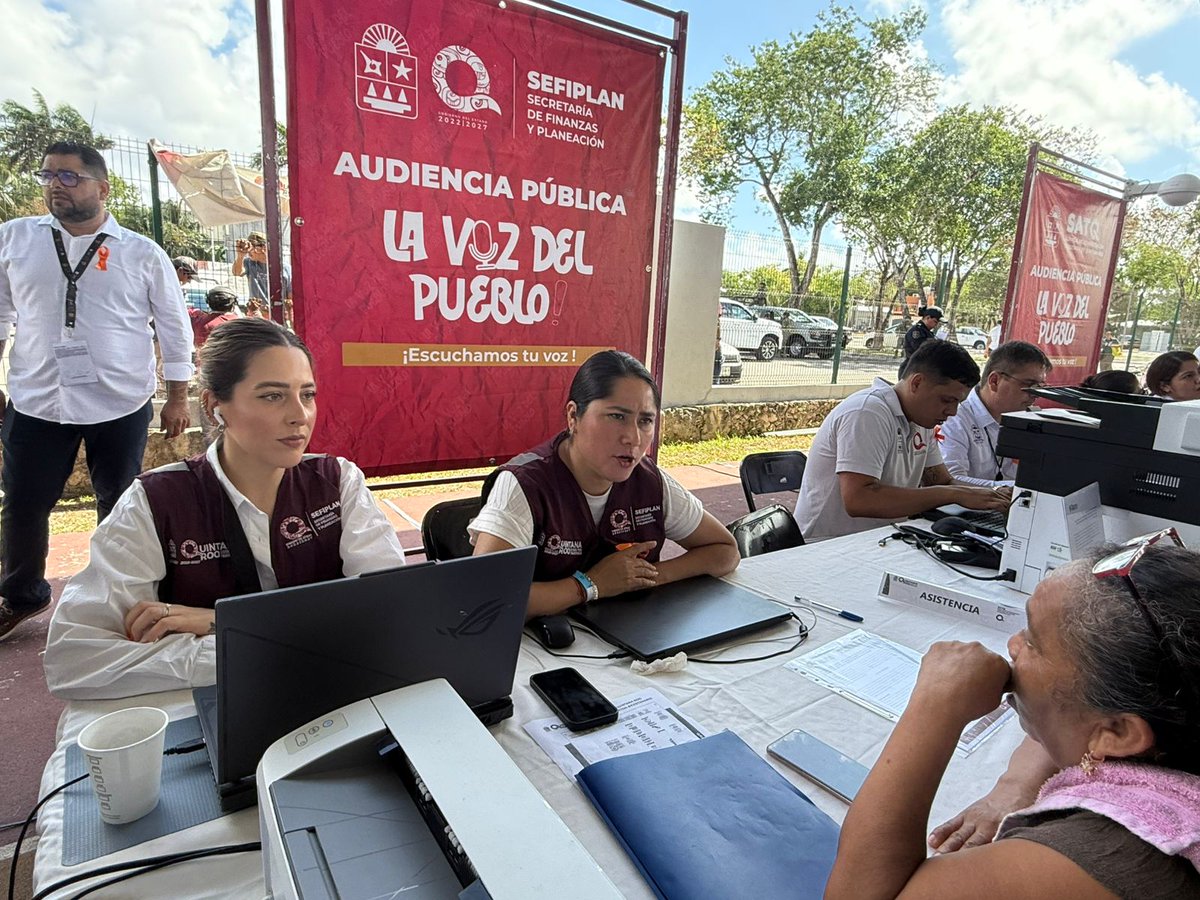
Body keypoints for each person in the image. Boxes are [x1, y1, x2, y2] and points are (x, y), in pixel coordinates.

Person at [43, 318, 405, 699]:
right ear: (215, 405)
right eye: (272, 396)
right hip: (212, 713)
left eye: (308, 394)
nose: (300, 415)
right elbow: (75, 657)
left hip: (339, 698)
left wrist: (224, 625)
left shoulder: (337, 481)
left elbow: (392, 615)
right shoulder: (155, 500)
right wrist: (285, 644)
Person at [828, 535, 1200, 898]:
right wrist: (1015, 785)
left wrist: (934, 706)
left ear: (1117, 732)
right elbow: (1079, 720)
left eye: (1033, 642)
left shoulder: (1113, 856)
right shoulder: (1170, 720)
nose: (1012, 645)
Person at [0, 141, 193, 641]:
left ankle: (115, 595)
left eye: (68, 177)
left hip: (119, 402)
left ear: (102, 188)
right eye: (47, 176)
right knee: (23, 502)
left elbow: (174, 327)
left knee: (119, 504)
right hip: (37, 401)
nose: (54, 186)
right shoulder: (14, 240)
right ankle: (21, 594)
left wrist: (176, 395)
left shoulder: (142, 253)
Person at [468, 350, 740, 618]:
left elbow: (725, 551)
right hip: (542, 653)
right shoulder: (525, 484)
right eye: (616, 416)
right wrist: (590, 585)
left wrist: (647, 578)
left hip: (631, 640)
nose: (633, 438)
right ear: (573, 416)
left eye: (645, 421)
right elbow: (487, 598)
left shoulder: (648, 480)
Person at [794, 340, 1010, 542]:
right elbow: (859, 499)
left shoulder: (921, 420)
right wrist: (953, 494)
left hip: (879, 539)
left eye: (958, 403)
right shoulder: (868, 412)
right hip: (825, 545)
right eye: (947, 400)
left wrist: (989, 495)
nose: (952, 412)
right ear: (916, 382)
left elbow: (942, 481)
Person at [938, 341, 1051, 488]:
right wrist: (1013, 489)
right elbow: (951, 480)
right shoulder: (954, 417)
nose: (1035, 395)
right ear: (994, 381)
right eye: (1029, 385)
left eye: (1040, 387)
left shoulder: (1024, 419)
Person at [232, 230, 291, 320]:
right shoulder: (249, 263)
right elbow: (236, 272)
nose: (249, 251)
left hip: (278, 315)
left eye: (252, 247)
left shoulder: (284, 268)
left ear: (263, 247)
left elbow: (290, 297)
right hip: (256, 314)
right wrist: (240, 255)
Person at [188, 287, 240, 351]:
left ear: (208, 301)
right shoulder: (238, 323)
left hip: (203, 360)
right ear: (233, 303)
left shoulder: (197, 321)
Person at [900, 305, 942, 377]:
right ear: (928, 318)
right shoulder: (917, 331)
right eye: (935, 321)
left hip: (921, 368)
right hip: (912, 369)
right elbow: (921, 349)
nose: (936, 325)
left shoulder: (927, 332)